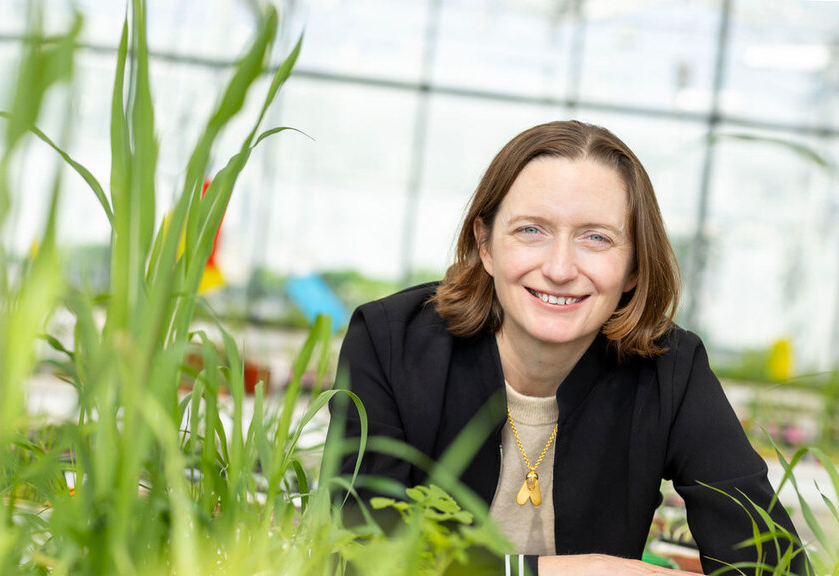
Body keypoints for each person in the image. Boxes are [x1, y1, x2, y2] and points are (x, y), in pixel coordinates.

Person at [327, 121, 805, 575]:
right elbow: (360, 552)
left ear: (635, 267)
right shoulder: (391, 341)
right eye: (531, 230)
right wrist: (585, 571)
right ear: (486, 245)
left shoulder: (670, 370)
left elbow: (771, 563)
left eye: (596, 238)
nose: (559, 268)